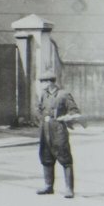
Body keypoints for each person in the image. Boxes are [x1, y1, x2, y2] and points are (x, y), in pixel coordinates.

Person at [36, 70, 80, 198]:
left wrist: (66, 118)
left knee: (65, 158)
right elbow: (39, 109)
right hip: (45, 130)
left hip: (58, 130)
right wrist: (42, 120)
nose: (41, 84)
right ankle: (49, 186)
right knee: (46, 157)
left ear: (50, 82)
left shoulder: (64, 95)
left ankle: (69, 189)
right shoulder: (44, 95)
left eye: (42, 81)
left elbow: (74, 111)